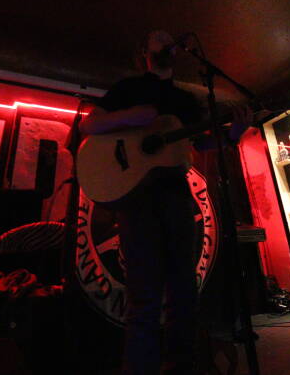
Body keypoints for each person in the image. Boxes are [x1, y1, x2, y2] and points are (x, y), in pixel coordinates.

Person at [78, 30, 251, 375]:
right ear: (145, 49)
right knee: (143, 293)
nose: (166, 41)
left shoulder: (185, 100)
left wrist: (231, 135)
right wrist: (129, 116)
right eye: (159, 37)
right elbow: (89, 125)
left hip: (176, 194)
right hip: (137, 200)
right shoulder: (128, 88)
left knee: (184, 290)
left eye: (169, 39)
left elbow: (200, 144)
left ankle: (180, 367)